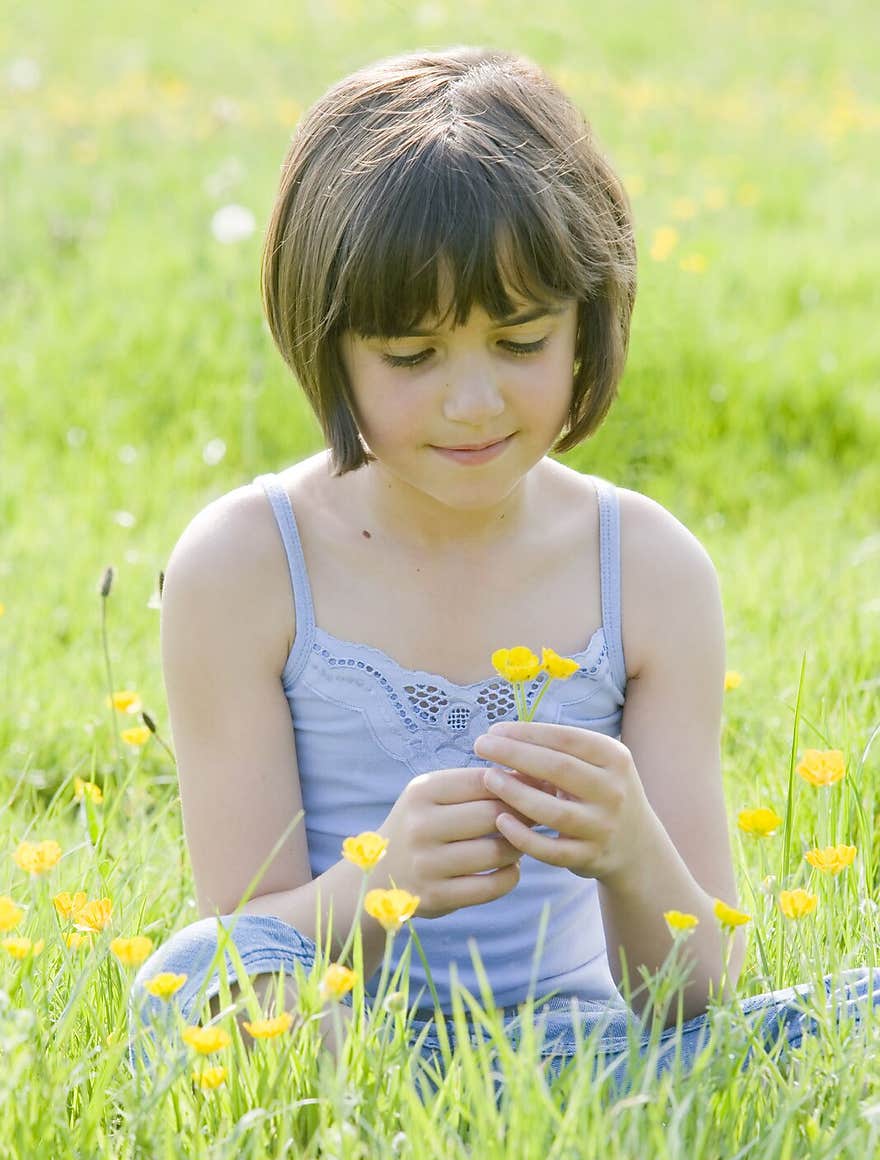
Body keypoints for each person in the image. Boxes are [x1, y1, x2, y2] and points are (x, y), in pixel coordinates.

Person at [128, 45, 878, 1096]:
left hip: (594, 1060)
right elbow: (248, 950)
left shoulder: (647, 569)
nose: (472, 402)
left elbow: (694, 989)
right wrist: (376, 880)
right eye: (411, 356)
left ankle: (576, 1144)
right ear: (328, 343)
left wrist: (629, 848)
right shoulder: (246, 565)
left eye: (519, 340)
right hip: (349, 1059)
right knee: (172, 990)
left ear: (587, 325)